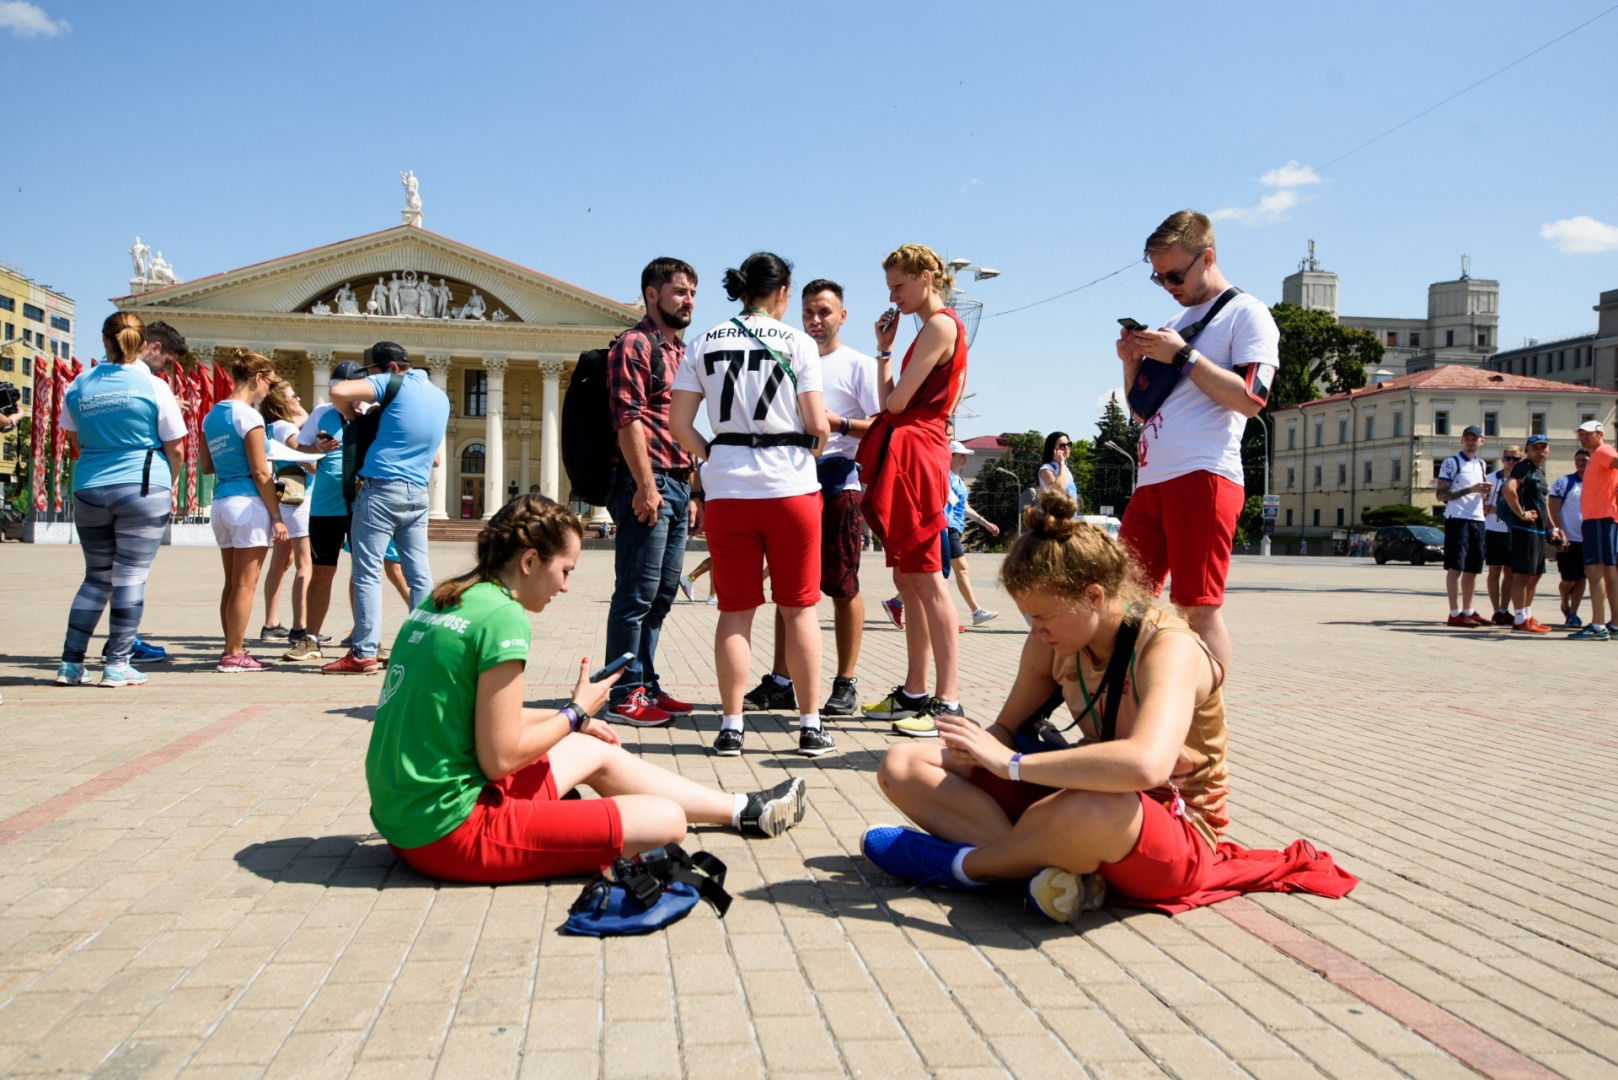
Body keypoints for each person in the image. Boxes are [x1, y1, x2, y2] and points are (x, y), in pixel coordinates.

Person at [862, 491, 1356, 918]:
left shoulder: (1168, 646)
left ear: (1094, 596)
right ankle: (1044, 871)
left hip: (1172, 835)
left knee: (1092, 805)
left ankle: (965, 868)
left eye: (1043, 617)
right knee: (904, 762)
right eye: (1028, 618)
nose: (1035, 632)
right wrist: (983, 750)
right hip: (1087, 798)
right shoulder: (1053, 641)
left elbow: (1145, 766)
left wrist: (1012, 766)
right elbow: (1006, 731)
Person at [366, 494, 808, 884]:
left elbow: (465, 717)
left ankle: (743, 808)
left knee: (593, 750)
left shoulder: (444, 599)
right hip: (453, 832)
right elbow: (498, 758)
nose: (566, 586)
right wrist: (573, 714)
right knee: (666, 822)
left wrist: (572, 720)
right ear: (529, 561)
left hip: (404, 820)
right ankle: (576, 826)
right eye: (564, 570)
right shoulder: (503, 618)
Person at [670, 252, 833, 757]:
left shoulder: (702, 342)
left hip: (729, 491)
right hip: (790, 488)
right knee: (800, 610)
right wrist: (813, 448)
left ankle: (731, 726)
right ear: (782, 292)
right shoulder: (800, 343)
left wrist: (713, 454)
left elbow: (678, 426)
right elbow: (817, 423)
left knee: (735, 612)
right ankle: (809, 726)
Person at [1116, 210, 1278, 671]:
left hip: (1204, 476)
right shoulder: (1176, 318)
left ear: (1207, 257)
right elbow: (1142, 410)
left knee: (1197, 608)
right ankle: (1135, 709)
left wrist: (1183, 355)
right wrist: (1131, 362)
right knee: (1125, 603)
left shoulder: (1248, 314)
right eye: (1157, 276)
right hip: (1152, 482)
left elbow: (1251, 398)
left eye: (1174, 274)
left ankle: (1205, 727)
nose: (1167, 285)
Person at [739, 279, 879, 718]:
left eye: (824, 312)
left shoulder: (857, 365)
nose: (815, 321)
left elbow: (879, 425)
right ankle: (782, 679)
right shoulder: (788, 355)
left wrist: (835, 425)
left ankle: (845, 680)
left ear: (843, 315)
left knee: (841, 584)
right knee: (789, 589)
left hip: (838, 480)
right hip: (790, 480)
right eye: (808, 313)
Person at [857, 244, 970, 737]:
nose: (893, 296)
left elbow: (897, 402)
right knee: (909, 579)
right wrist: (884, 349)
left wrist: (893, 381)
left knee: (927, 578)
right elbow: (889, 400)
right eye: (890, 288)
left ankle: (947, 702)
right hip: (912, 445)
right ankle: (916, 691)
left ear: (927, 277)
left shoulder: (942, 325)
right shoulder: (927, 329)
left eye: (899, 285)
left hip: (919, 452)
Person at [54, 312, 187, 688]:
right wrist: (169, 484)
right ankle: (117, 664)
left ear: (104, 340)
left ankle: (70, 663)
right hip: (142, 485)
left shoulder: (79, 385)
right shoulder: (155, 387)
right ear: (143, 344)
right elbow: (175, 448)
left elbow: (75, 441)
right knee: (129, 577)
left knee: (95, 578)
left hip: (90, 486)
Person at [604, 258, 702, 726]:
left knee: (662, 594)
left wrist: (694, 489)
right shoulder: (635, 344)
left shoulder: (680, 351)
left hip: (679, 485)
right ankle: (623, 692)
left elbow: (686, 425)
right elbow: (628, 418)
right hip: (650, 483)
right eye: (680, 291)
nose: (689, 301)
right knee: (636, 594)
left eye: (692, 293)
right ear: (651, 294)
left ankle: (645, 681)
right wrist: (645, 485)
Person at [323, 341, 450, 675]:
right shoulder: (439, 396)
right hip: (418, 495)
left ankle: (363, 652)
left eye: (373, 373)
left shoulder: (394, 383)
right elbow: (435, 455)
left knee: (366, 572)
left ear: (391, 368)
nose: (372, 381)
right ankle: (421, 647)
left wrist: (354, 414)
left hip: (380, 491)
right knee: (419, 573)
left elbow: (339, 390)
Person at [200, 349, 288, 671]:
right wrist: (277, 516)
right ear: (258, 378)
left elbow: (207, 466)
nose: (270, 391)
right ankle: (234, 653)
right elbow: (261, 473)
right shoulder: (249, 416)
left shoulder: (212, 416)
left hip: (222, 502)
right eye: (270, 384)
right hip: (248, 504)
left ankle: (232, 647)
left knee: (232, 583)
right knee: (246, 584)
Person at [286, 360, 366, 662]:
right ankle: (310, 637)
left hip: (362, 507)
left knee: (364, 573)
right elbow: (301, 454)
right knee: (322, 572)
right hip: (325, 507)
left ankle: (364, 636)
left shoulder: (371, 416)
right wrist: (318, 450)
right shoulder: (321, 414)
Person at [258, 381, 314, 645]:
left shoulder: (272, 426)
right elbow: (304, 457)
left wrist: (295, 406)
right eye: (294, 396)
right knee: (305, 564)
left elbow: (304, 416)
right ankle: (300, 628)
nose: (299, 397)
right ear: (282, 403)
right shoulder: (287, 429)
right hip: (299, 497)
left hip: (284, 495)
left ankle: (271, 623)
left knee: (280, 563)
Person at [1498, 434, 1562, 634]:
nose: (1540, 450)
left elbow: (1542, 505)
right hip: (1524, 531)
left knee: (1534, 575)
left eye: (1544, 447)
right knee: (1521, 576)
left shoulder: (1539, 471)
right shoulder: (1524, 467)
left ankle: (1526, 615)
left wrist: (1553, 528)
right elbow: (1508, 489)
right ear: (1527, 450)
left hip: (1538, 531)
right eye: (1535, 447)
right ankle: (1519, 619)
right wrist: (1521, 513)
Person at [1436, 425, 1491, 627]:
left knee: (1473, 568)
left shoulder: (1481, 464)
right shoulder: (1452, 463)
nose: (1470, 442)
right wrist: (1470, 489)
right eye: (1467, 438)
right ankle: (1454, 612)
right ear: (1462, 441)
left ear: (1481, 441)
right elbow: (1441, 495)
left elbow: (1478, 491)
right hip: (1457, 518)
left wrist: (1483, 494)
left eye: (1474, 439)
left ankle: (1468, 610)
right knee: (1455, 566)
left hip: (1477, 519)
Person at [1571, 420, 1618, 640]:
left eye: (1588, 434)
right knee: (1609, 571)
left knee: (1595, 571)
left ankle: (1598, 626)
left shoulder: (1602, 452)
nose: (1583, 437)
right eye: (1581, 434)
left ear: (1600, 433)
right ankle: (1615, 625)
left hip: (1599, 518)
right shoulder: (1600, 454)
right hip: (1604, 518)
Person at [948, 441, 1001, 626]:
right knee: (959, 569)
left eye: (966, 455)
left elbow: (964, 507)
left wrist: (985, 523)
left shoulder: (959, 481)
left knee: (937, 575)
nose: (965, 458)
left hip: (953, 528)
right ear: (950, 456)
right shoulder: (944, 477)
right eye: (961, 455)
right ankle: (975, 611)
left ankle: (897, 602)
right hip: (946, 528)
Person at [1549, 449, 1589, 627]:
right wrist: (1559, 532)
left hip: (1588, 540)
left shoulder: (1596, 483)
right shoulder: (1564, 482)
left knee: (1582, 578)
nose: (1581, 463)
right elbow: (1552, 509)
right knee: (1569, 579)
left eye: (1585, 460)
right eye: (1578, 460)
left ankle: (1573, 613)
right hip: (1568, 539)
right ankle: (1565, 599)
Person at [1483, 447, 1521, 626]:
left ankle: (1504, 609)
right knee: (1494, 571)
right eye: (1508, 458)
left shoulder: (1523, 480)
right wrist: (1507, 511)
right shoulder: (1491, 479)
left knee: (1510, 572)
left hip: (1514, 531)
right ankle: (1496, 609)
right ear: (1502, 459)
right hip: (1494, 531)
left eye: (1516, 459)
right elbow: (1481, 507)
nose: (1511, 462)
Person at [1037, 432, 1079, 503]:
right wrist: (1061, 463)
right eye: (1062, 445)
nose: (1066, 448)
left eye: (1068, 444)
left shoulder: (1066, 470)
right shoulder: (1046, 469)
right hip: (1054, 513)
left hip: (1070, 513)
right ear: (1052, 448)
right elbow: (1059, 489)